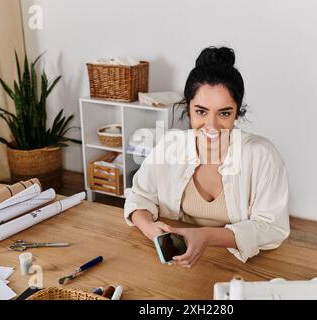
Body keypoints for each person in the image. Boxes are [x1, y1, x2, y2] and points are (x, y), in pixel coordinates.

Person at [124, 46, 290, 267]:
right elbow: (139, 196)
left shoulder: (263, 156)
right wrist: (149, 229)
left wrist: (206, 236)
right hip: (180, 261)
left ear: (238, 112)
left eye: (224, 113)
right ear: (188, 108)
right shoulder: (171, 146)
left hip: (240, 263)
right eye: (201, 111)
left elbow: (272, 228)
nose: (211, 125)